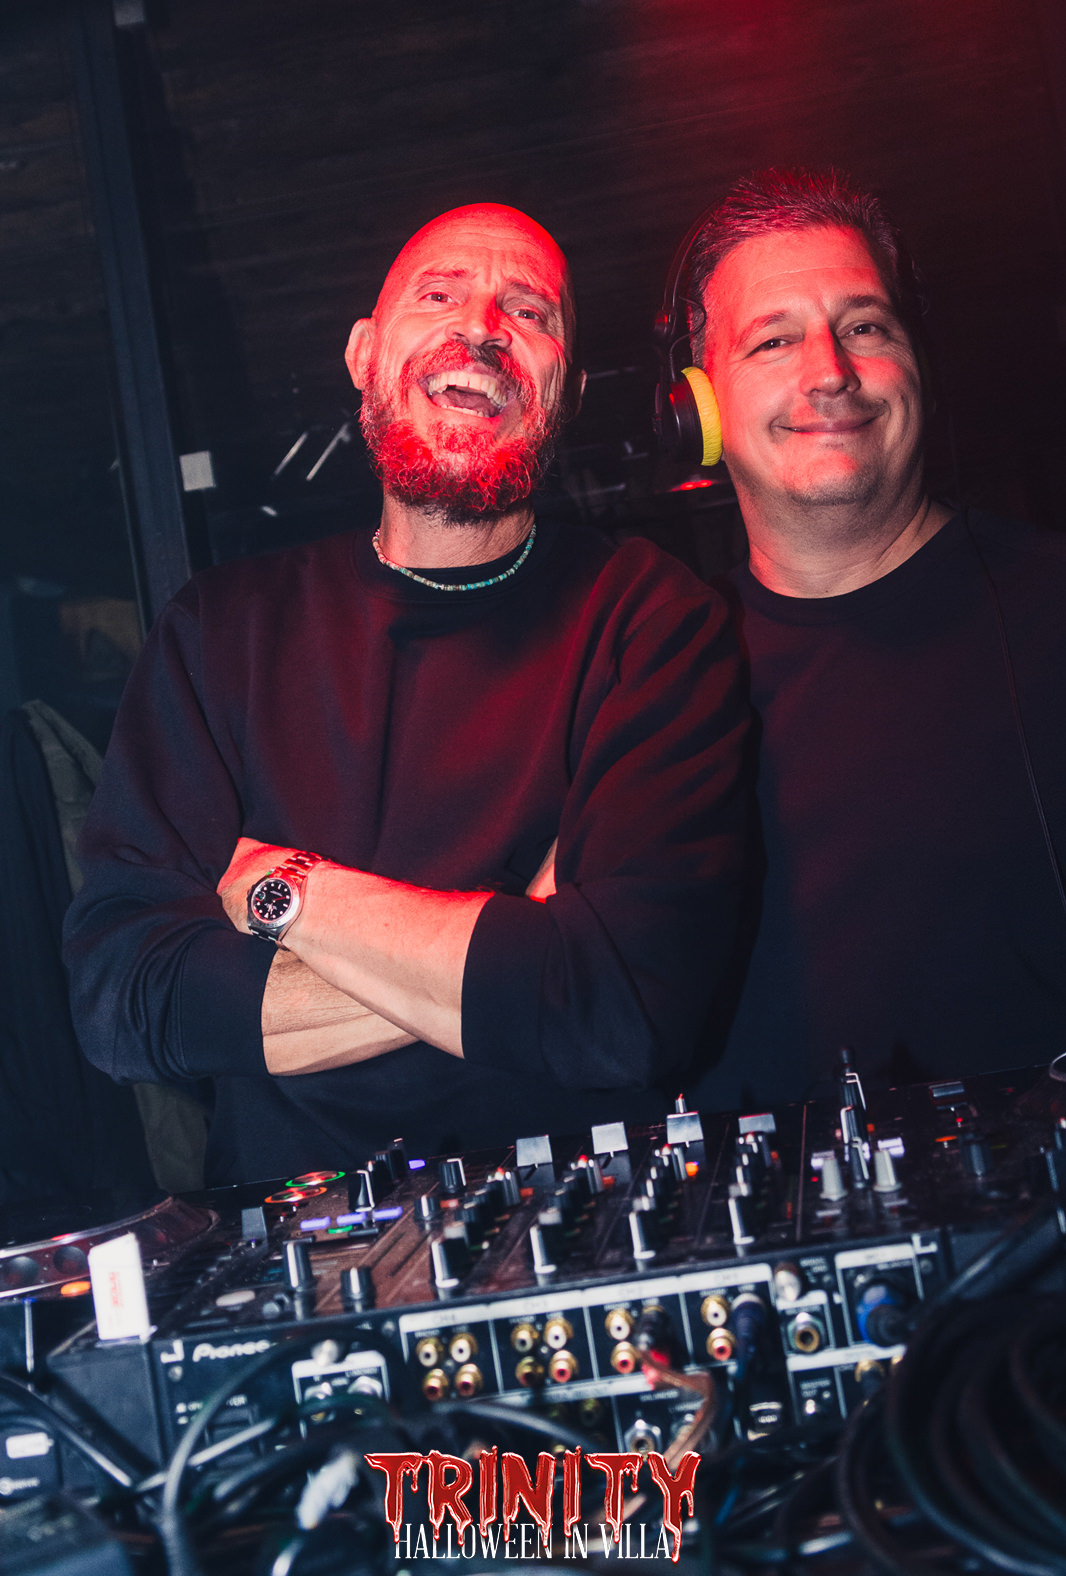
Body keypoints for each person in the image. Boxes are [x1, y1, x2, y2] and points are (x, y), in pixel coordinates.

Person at [63, 202, 749, 1185]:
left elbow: (623, 1008)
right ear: (364, 355)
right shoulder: (220, 629)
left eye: (529, 312)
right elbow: (124, 1001)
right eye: (438, 295)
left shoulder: (648, 615)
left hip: (592, 1216)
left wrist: (285, 892)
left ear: (567, 391)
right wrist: (527, 937)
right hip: (300, 1243)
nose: (481, 328)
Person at [670, 168, 1066, 1111]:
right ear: (698, 409)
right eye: (774, 339)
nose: (830, 372)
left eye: (866, 328)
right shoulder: (657, 673)